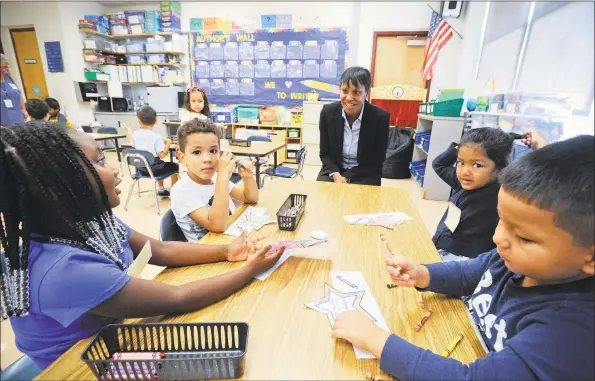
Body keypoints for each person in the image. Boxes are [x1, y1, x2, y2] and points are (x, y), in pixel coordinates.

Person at [0, 122, 284, 371]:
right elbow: (177, 298)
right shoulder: (63, 269)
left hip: (113, 336)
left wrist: (226, 251)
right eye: (100, 162)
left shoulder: (93, 223)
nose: (115, 170)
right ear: (59, 185)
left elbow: (162, 251)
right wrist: (250, 270)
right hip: (81, 366)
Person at [331, 135, 594, 381]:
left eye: (524, 237)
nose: (498, 238)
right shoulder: (515, 259)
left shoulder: (569, 331)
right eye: (501, 220)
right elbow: (469, 274)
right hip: (459, 338)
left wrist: (376, 340)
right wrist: (423, 274)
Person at [432, 128, 514, 261]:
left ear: (499, 168)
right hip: (441, 244)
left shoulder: (501, 195)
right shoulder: (462, 182)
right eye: (461, 163)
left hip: (466, 261)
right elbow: (439, 164)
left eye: (477, 165)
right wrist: (459, 147)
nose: (465, 172)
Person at [171, 118, 258, 242]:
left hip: (230, 240)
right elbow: (217, 226)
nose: (207, 159)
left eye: (213, 151)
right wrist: (223, 177)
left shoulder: (215, 177)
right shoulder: (181, 191)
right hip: (208, 253)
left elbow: (250, 198)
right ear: (181, 157)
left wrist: (247, 177)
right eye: (197, 152)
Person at [316, 66, 390, 186]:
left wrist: (347, 177)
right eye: (345, 91)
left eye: (356, 92)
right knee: (323, 197)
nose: (349, 98)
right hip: (334, 170)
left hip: (365, 172)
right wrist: (336, 175)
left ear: (366, 93)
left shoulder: (380, 117)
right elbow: (325, 154)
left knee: (362, 201)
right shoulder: (327, 112)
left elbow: (377, 160)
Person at [123, 106, 179, 197]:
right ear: (156, 121)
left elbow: (131, 143)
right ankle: (175, 192)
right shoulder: (156, 137)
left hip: (141, 170)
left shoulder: (136, 133)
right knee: (174, 165)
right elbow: (162, 155)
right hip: (155, 170)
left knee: (159, 163)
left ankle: (161, 190)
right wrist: (168, 142)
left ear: (139, 122)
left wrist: (128, 130)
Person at [0, 53, 27, 127]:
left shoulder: (7, 76)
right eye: (2, 67)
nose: (5, 70)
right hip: (3, 123)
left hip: (18, 119)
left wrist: (24, 109)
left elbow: (18, 93)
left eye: (6, 67)